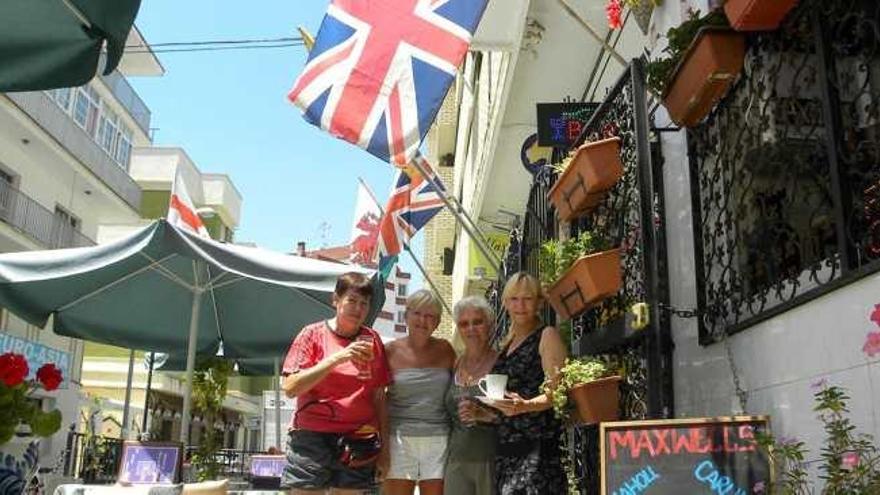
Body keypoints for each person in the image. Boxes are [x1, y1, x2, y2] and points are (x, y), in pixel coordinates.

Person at [279, 272, 391, 494]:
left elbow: (379, 397)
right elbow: (290, 387)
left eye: (364, 303)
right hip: (312, 435)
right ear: (336, 300)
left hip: (359, 437)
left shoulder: (372, 340)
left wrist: (385, 450)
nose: (358, 309)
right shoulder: (312, 335)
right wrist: (338, 358)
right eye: (352, 300)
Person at [490, 272, 568, 495]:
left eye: (527, 298)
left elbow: (557, 394)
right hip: (508, 454)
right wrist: (484, 413)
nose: (520, 305)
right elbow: (508, 404)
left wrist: (525, 405)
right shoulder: (507, 343)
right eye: (514, 299)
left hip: (537, 455)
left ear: (539, 303)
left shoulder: (547, 335)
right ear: (505, 303)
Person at [384, 289, 456, 495]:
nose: (423, 320)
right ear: (406, 315)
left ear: (438, 322)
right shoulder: (389, 351)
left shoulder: (446, 350)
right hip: (398, 439)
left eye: (430, 315)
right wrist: (382, 447)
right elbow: (378, 399)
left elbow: (460, 389)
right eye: (417, 313)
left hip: (439, 440)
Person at [444, 296, 499, 495]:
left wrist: (483, 414)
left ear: (490, 324)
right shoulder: (456, 364)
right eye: (464, 324)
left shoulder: (501, 363)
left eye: (477, 322)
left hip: (491, 461)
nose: (471, 329)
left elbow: (517, 416)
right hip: (456, 461)